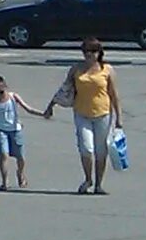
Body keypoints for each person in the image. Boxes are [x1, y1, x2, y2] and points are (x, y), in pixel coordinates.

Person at [41, 39, 122, 194]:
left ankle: (99, 184)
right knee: (86, 148)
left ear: (99, 53)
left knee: (101, 151)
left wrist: (119, 118)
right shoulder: (76, 69)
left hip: (103, 114)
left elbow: (114, 95)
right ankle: (88, 179)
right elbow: (64, 89)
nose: (89, 55)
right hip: (81, 113)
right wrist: (51, 105)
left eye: (92, 52)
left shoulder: (107, 69)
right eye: (86, 52)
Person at [0, 73, 31, 190]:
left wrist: (43, 114)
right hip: (1, 130)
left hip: (15, 130)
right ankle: (4, 182)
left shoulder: (13, 97)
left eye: (1, 92)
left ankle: (20, 174)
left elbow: (27, 108)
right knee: (3, 155)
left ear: (6, 87)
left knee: (20, 157)